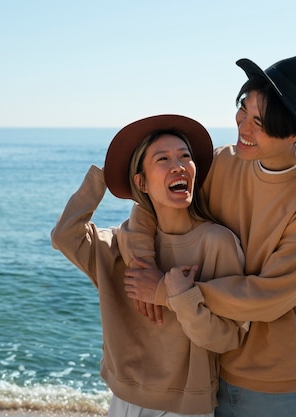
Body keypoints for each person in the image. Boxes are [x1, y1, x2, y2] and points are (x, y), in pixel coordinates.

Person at [120, 55, 296, 417]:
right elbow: (153, 202)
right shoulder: (222, 163)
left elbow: (269, 296)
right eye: (244, 110)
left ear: (295, 133)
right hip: (205, 365)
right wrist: (143, 260)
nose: (244, 126)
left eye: (260, 122)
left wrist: (166, 290)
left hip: (271, 381)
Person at [51, 114, 247, 417]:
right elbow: (65, 235)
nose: (178, 165)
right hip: (124, 398)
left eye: (185, 156)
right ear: (140, 181)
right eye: (163, 159)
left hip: (185, 406)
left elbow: (227, 337)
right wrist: (106, 175)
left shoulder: (217, 243)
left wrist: (177, 297)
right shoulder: (120, 246)